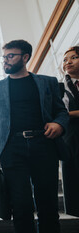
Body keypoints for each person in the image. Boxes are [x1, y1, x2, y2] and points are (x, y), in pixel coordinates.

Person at [0, 39, 69, 233]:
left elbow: (61, 111)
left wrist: (59, 124)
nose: (5, 60)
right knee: (21, 206)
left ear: (25, 57)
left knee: (48, 204)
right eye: (4, 57)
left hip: (44, 145)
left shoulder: (47, 82)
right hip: (12, 148)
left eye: (10, 56)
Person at [61, 45, 79, 217]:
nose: (68, 62)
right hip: (71, 140)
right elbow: (59, 114)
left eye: (73, 57)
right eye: (65, 59)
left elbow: (66, 113)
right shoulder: (59, 87)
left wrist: (71, 114)